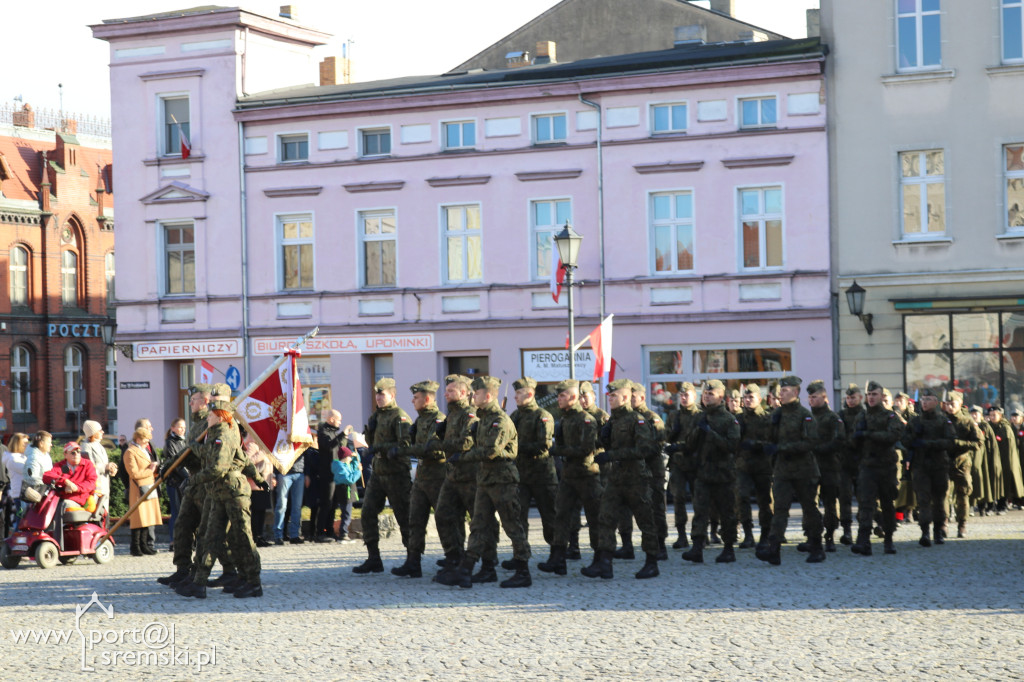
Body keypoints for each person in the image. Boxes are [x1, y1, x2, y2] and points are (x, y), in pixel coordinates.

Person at [436, 376, 532, 589]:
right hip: (485, 480)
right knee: (478, 525)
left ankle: (523, 571)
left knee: (512, 525)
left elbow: (490, 451)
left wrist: (463, 457)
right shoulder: (484, 420)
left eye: (477, 393)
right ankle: (468, 570)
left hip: (502, 480)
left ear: (487, 396)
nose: (473, 396)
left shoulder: (500, 421)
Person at [177, 403, 265, 599]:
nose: (207, 418)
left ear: (220, 417)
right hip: (219, 493)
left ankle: (253, 582)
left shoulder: (224, 436)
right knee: (211, 537)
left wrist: (193, 480)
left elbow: (218, 468)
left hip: (233, 493)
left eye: (211, 415)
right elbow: (237, 457)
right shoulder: (216, 434)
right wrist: (193, 446)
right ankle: (199, 583)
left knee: (242, 537)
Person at [581, 378, 660, 580]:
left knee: (645, 521)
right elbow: (608, 445)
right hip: (616, 479)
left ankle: (652, 563)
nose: (610, 398)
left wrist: (612, 455)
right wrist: (604, 439)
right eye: (609, 395)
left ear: (625, 397)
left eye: (614, 395)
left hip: (636, 479)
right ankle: (605, 563)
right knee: (605, 518)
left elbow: (644, 449)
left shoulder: (637, 420)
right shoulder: (613, 421)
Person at [432, 375, 498, 580]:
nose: (445, 394)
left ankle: (488, 565)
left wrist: (439, 444)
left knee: (480, 522)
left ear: (463, 393)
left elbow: (467, 443)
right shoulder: (452, 414)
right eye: (446, 390)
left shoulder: (470, 414)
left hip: (470, 477)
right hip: (453, 475)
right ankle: (454, 559)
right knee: (443, 515)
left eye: (450, 391)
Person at [538, 379, 602, 576]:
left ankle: (600, 560)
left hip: (587, 475)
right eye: (558, 395)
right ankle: (558, 558)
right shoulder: (565, 419)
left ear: (573, 397)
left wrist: (558, 450)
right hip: (568, 476)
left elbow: (586, 449)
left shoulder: (586, 420)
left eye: (562, 395)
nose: (559, 399)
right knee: (561, 515)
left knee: (594, 518)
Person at [756, 375, 822, 565]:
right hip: (783, 470)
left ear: (795, 392)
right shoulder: (777, 414)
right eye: (780, 391)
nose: (781, 394)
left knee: (809, 509)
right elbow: (770, 439)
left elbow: (810, 443)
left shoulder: (805, 415)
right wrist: (770, 428)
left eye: (785, 391)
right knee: (780, 509)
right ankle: (774, 549)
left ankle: (817, 547)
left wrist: (781, 448)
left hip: (804, 470)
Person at [353, 377, 412, 574]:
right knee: (367, 512)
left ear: (392, 395)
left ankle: (412, 559)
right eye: (377, 395)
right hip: (379, 472)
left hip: (396, 473)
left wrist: (380, 447)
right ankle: (374, 558)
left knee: (404, 516)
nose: (378, 398)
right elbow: (371, 443)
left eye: (382, 395)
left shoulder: (400, 416)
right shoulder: (376, 416)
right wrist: (369, 433)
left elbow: (405, 444)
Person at [682, 380, 741, 564]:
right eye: (705, 394)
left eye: (711, 394)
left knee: (726, 512)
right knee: (700, 510)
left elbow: (732, 446)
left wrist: (710, 433)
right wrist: (697, 431)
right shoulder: (700, 417)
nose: (707, 397)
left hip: (723, 474)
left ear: (721, 396)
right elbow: (689, 444)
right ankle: (697, 547)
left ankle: (729, 548)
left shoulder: (729, 419)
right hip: (703, 473)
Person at [392, 381, 446, 578]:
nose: (412, 401)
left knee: (444, 521)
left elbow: (435, 449)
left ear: (428, 399)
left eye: (416, 398)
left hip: (438, 477)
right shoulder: (420, 420)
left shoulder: (439, 420)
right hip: (422, 478)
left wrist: (406, 450)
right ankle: (413, 562)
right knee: (414, 520)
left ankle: (453, 560)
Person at [507, 377, 557, 568]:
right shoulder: (515, 416)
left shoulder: (542, 415)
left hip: (542, 475)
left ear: (529, 394)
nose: (515, 396)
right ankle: (520, 556)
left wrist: (516, 448)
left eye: (519, 393)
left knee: (549, 517)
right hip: (520, 475)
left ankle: (556, 556)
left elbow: (544, 445)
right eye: (515, 393)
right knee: (518, 518)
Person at [850, 381, 903, 556]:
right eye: (869, 395)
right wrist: (856, 438)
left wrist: (868, 434)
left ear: (881, 396)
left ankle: (889, 540)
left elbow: (893, 435)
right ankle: (863, 541)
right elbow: (853, 443)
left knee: (887, 504)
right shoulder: (861, 416)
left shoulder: (890, 416)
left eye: (875, 394)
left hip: (886, 467)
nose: (871, 398)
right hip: (867, 467)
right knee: (866, 504)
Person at [902, 388, 956, 547]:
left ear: (936, 402)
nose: (924, 403)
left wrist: (930, 444)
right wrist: (914, 437)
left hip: (939, 466)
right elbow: (904, 440)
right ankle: (925, 531)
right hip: (920, 466)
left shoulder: (943, 421)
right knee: (923, 500)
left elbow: (951, 441)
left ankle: (938, 531)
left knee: (939, 500)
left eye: (928, 399)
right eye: (923, 400)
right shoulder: (915, 422)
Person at [806, 380, 845, 552]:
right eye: (810, 397)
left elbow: (839, 440)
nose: (811, 400)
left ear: (824, 397)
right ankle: (812, 535)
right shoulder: (807, 417)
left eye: (814, 397)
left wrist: (819, 449)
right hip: (810, 467)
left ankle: (829, 536)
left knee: (830, 502)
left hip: (829, 466)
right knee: (809, 503)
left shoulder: (833, 418)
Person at [736, 383, 773, 551]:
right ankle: (748, 534)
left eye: (751, 397)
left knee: (765, 501)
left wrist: (755, 444)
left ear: (759, 399)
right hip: (743, 466)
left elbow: (771, 441)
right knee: (741, 497)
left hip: (762, 465)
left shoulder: (766, 418)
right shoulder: (738, 419)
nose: (748, 400)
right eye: (745, 397)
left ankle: (765, 535)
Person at [665, 383, 701, 550]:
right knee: (678, 498)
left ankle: (699, 534)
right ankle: (681, 535)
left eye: (687, 395)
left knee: (698, 499)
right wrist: (673, 433)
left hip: (695, 463)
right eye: (682, 395)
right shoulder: (674, 415)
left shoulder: (700, 416)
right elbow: (665, 437)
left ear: (694, 396)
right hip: (678, 463)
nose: (684, 398)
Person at [42, 442, 98, 548]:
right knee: (46, 503)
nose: (76, 454)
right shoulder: (61, 465)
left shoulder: (87, 464)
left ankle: (58, 543)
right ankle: (44, 535)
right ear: (65, 454)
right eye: (73, 452)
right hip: (63, 497)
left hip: (79, 499)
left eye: (78, 452)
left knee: (61, 505)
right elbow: (47, 475)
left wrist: (75, 488)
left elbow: (91, 483)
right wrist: (65, 482)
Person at [943, 391, 982, 537]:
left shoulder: (967, 421)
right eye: (947, 404)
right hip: (944, 462)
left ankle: (962, 524)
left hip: (962, 463)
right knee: (943, 495)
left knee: (963, 495)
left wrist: (959, 443)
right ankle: (943, 523)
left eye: (952, 404)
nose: (950, 407)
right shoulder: (941, 421)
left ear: (960, 404)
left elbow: (978, 442)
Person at [123, 424, 162, 556]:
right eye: (145, 440)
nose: (147, 443)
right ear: (138, 439)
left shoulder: (143, 450)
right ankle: (135, 546)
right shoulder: (130, 452)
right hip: (138, 489)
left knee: (147, 518)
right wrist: (150, 470)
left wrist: (154, 469)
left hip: (148, 486)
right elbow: (133, 473)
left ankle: (144, 545)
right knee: (138, 518)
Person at [837, 385, 866, 545]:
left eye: (853, 397)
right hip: (845, 462)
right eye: (848, 398)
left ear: (860, 398)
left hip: (862, 462)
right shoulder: (841, 415)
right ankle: (846, 530)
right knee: (845, 497)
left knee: (864, 497)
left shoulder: (865, 415)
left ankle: (863, 527)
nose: (850, 401)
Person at [314, 409, 346, 542]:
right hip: (327, 473)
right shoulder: (323, 432)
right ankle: (320, 532)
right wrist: (343, 434)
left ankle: (330, 530)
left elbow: (339, 449)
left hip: (336, 473)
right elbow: (329, 446)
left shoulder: (334, 432)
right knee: (326, 503)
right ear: (331, 419)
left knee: (334, 504)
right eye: (339, 420)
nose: (340, 422)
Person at [986, 405, 1024, 512]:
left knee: (1005, 482)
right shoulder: (988, 427)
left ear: (1000, 416)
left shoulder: (1005, 428)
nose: (992, 417)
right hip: (992, 459)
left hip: (1004, 460)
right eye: (990, 415)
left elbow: (1008, 449)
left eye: (995, 415)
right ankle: (991, 505)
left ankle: (1003, 504)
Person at [81, 421, 117, 518]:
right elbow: (88, 468)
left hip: (103, 486)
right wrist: (105, 467)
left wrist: (111, 469)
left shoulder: (99, 445)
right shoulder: (85, 447)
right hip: (95, 488)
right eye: (100, 430)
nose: (103, 432)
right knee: (97, 515)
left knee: (104, 515)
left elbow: (103, 465)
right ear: (93, 433)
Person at [161, 419, 188, 545]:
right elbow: (175, 463)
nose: (183, 429)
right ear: (173, 428)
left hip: (185, 481)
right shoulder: (170, 442)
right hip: (175, 482)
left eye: (184, 427)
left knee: (186, 512)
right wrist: (187, 475)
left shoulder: (185, 441)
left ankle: (185, 539)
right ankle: (173, 541)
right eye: (180, 427)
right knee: (176, 512)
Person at [330, 446, 361, 544]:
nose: (351, 458)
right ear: (345, 457)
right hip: (344, 492)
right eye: (349, 457)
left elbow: (355, 464)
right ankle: (343, 534)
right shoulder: (340, 467)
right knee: (346, 514)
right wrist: (358, 472)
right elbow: (349, 479)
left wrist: (356, 456)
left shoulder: (346, 465)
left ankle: (344, 534)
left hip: (348, 492)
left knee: (347, 513)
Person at [2, 433, 29, 530]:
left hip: (24, 493)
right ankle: (15, 538)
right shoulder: (14, 458)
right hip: (20, 494)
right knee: (20, 520)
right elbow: (27, 471)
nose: (27, 446)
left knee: (22, 520)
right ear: (17, 444)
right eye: (24, 443)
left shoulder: (22, 457)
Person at [22, 431, 54, 508]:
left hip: (43, 493)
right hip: (33, 496)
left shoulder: (45, 455)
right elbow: (32, 478)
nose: (51, 444)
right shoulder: (34, 457)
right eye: (49, 442)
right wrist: (49, 483)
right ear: (41, 443)